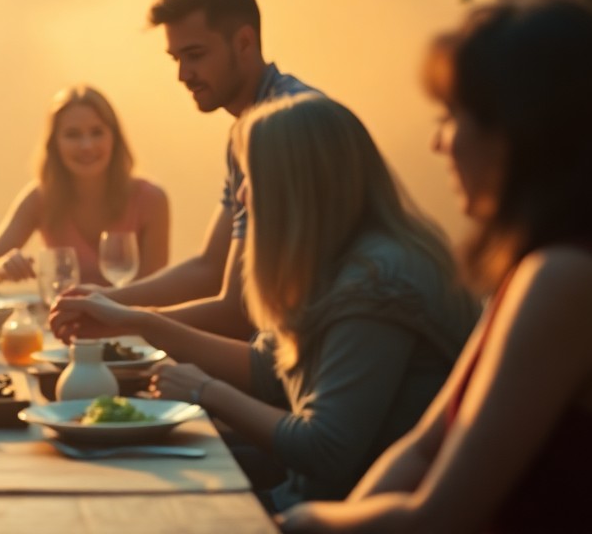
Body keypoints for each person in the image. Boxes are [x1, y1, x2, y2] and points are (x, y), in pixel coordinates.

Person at [279, 1, 592, 533]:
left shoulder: (569, 280)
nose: (437, 142)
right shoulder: (535, 271)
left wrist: (303, 525)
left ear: (514, 130)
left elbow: (441, 518)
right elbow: (424, 450)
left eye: (449, 117)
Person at [54, 94, 478, 512]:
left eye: (250, 177)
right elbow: (267, 369)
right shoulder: (338, 258)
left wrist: (205, 390)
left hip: (332, 514)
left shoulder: (376, 283)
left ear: (293, 185)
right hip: (307, 495)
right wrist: (132, 321)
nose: (240, 196)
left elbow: (325, 449)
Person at [51, 0, 316, 340]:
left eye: (194, 55)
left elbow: (238, 310)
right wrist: (111, 299)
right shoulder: (246, 131)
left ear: (244, 42)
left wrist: (121, 317)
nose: (183, 74)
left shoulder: (290, 125)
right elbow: (210, 267)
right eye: (176, 58)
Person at [0, 84, 170, 286]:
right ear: (54, 144)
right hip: (63, 318)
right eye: (73, 135)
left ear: (114, 138)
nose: (86, 146)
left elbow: (155, 289)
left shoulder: (151, 199)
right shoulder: (41, 198)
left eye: (97, 132)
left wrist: (100, 303)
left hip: (129, 320)